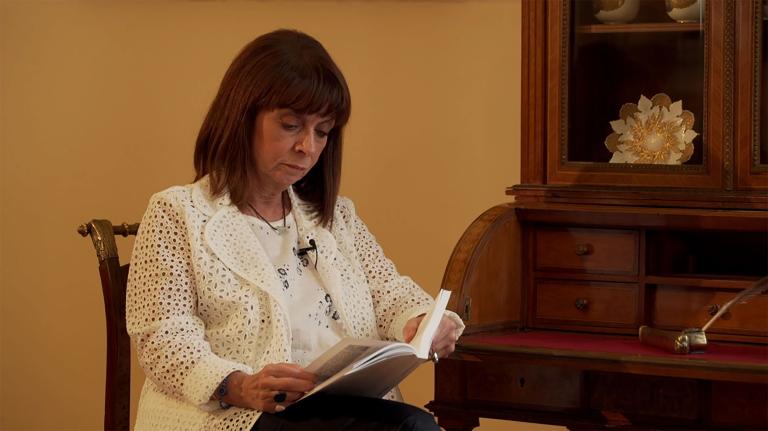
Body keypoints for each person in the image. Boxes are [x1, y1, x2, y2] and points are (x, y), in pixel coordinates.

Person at [126, 29, 464, 431]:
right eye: (291, 125)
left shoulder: (336, 217)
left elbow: (388, 292)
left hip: (339, 411)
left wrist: (421, 321)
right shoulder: (177, 213)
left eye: (322, 131)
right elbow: (162, 340)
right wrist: (239, 385)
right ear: (241, 117)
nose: (308, 146)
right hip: (235, 416)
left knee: (413, 425)